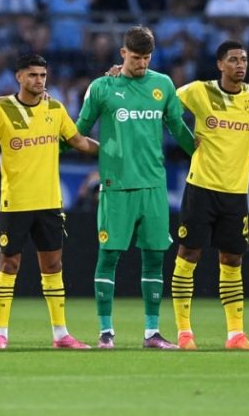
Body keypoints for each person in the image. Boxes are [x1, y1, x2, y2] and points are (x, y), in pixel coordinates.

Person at [0, 53, 98, 349]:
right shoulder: (0, 111)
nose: (39, 80)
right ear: (19, 77)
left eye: (43, 75)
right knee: (8, 265)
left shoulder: (55, 109)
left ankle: (61, 334)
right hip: (16, 203)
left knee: (53, 266)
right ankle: (0, 333)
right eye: (32, 75)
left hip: (48, 202)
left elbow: (80, 142)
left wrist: (116, 151)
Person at [76, 26, 196, 349]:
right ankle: (105, 333)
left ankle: (152, 333)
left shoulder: (163, 85)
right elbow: (78, 131)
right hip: (117, 185)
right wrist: (51, 147)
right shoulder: (102, 87)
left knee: (155, 257)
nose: (141, 64)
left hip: (154, 185)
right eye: (136, 57)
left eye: (146, 58)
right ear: (123, 53)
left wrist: (201, 151)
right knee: (109, 255)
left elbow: (178, 128)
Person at [171, 40, 249, 350]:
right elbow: (161, 104)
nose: (240, 64)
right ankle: (184, 332)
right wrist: (187, 141)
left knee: (232, 259)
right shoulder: (199, 91)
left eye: (244, 59)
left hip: (235, 192)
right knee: (189, 254)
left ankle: (235, 335)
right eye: (233, 60)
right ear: (220, 65)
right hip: (201, 187)